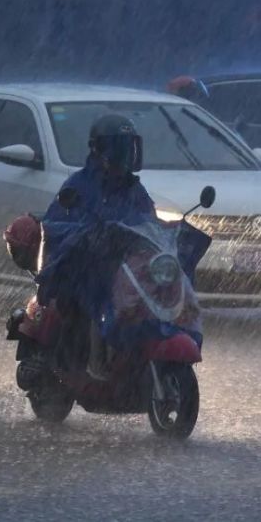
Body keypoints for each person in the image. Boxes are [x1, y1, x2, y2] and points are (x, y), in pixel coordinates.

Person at [40, 113, 157, 379]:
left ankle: (132, 360)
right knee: (96, 301)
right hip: (85, 269)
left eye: (128, 148)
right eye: (117, 148)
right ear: (98, 149)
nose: (124, 156)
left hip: (124, 267)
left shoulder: (134, 190)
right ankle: (87, 365)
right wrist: (86, 235)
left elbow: (149, 222)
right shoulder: (79, 185)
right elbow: (56, 224)